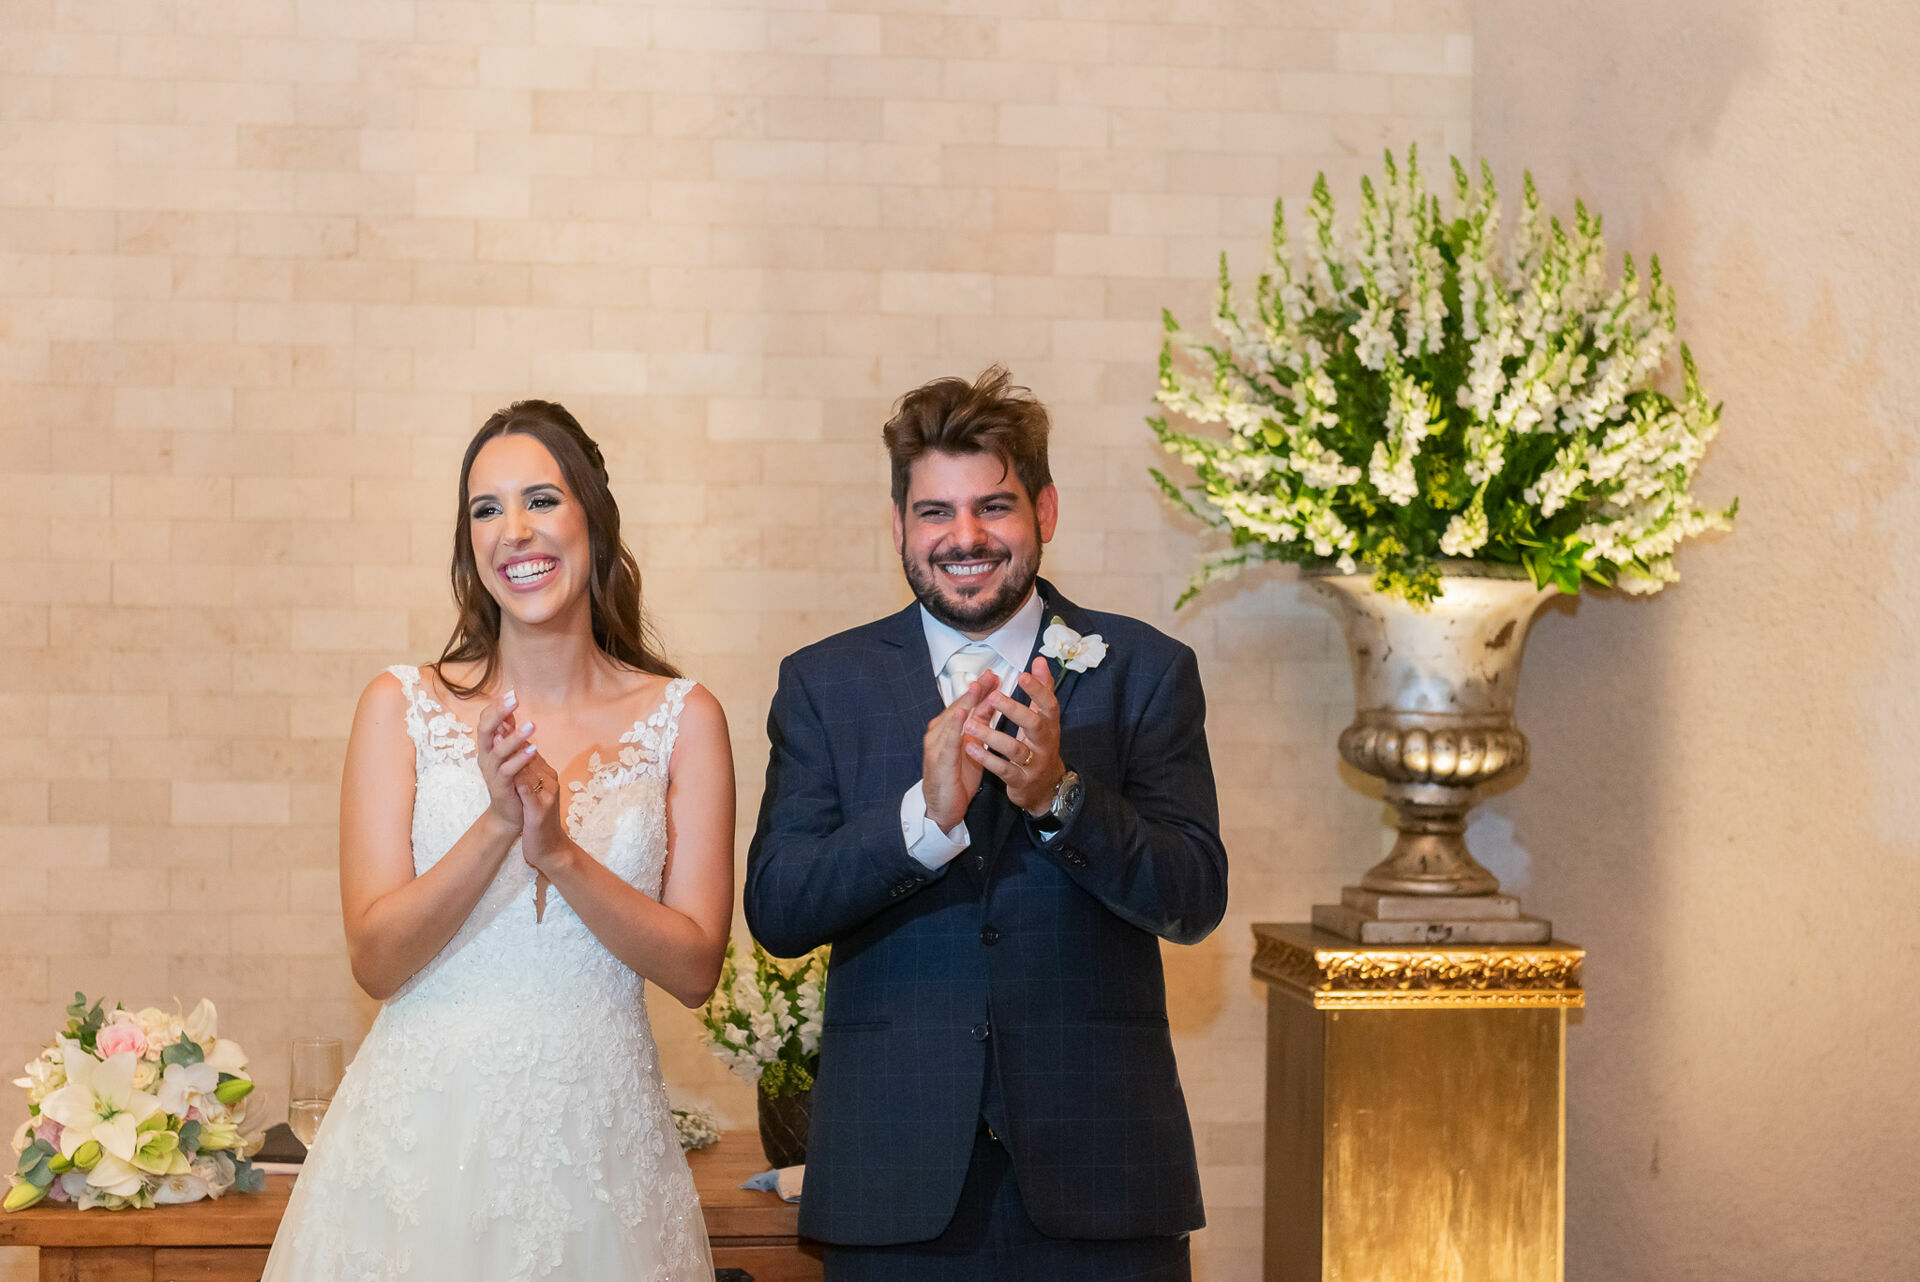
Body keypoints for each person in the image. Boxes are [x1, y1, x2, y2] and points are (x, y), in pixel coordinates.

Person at [744, 366, 1229, 1281]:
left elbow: (1194, 898)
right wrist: (923, 821)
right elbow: (777, 907)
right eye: (935, 513)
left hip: (1106, 1178)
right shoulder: (822, 683)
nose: (964, 538)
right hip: (894, 1184)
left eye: (994, 507)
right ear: (898, 526)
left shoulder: (1145, 671)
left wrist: (1060, 799)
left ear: (1044, 510)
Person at [263, 401, 733, 1282]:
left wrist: (560, 852)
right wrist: (497, 825)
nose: (515, 531)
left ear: (593, 518)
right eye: (486, 510)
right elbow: (375, 959)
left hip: (601, 1157)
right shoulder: (399, 707)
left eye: (542, 501)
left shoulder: (684, 719)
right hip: (415, 1153)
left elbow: (696, 968)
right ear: (469, 546)